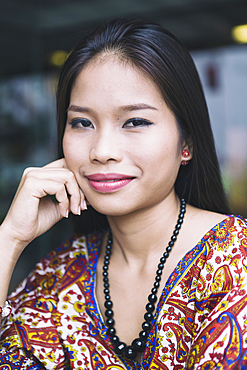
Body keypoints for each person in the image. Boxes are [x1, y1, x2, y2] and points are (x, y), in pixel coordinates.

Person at [0, 18, 246, 370]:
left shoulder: (234, 260)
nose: (102, 150)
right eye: (82, 123)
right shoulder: (59, 274)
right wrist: (9, 239)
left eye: (135, 122)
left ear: (186, 142)